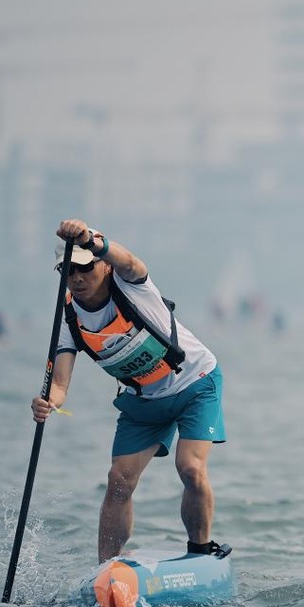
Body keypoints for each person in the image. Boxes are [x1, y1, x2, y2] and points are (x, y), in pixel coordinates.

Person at [30, 219, 229, 563]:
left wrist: (92, 241)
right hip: (144, 401)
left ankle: (200, 552)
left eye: (85, 267)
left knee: (190, 468)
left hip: (195, 383)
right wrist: (49, 403)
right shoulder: (68, 318)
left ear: (104, 265)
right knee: (118, 479)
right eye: (68, 271)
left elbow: (130, 261)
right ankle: (106, 570)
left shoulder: (129, 283)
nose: (77, 278)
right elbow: (60, 384)